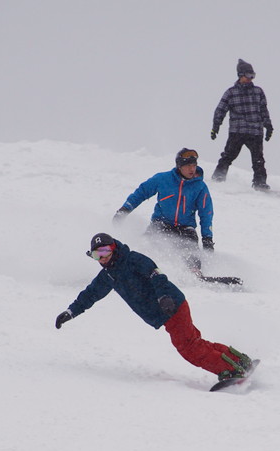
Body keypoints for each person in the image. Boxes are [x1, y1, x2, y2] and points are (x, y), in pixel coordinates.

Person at [54, 233, 253, 381]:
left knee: (189, 348)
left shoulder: (133, 259)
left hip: (171, 306)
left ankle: (230, 371)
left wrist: (165, 298)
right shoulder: (108, 275)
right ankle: (239, 360)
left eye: (105, 252)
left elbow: (157, 276)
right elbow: (90, 295)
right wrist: (71, 312)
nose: (102, 258)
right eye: (97, 255)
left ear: (113, 248)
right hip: (166, 313)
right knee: (195, 342)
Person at [112, 148, 214, 273]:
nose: (192, 169)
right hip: (161, 223)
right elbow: (141, 193)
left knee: (191, 252)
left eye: (194, 165)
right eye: (188, 166)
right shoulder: (163, 179)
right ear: (179, 166)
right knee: (146, 246)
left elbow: (206, 213)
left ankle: (194, 273)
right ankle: (134, 269)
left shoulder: (200, 187)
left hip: (186, 228)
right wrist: (125, 209)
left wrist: (207, 238)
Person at [210, 58, 274, 191]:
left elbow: (263, 110)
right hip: (237, 131)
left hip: (255, 132)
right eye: (248, 75)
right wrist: (216, 126)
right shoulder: (231, 93)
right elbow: (220, 110)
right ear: (240, 75)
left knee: (258, 159)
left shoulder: (258, 92)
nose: (251, 79)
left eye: (253, 76)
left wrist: (268, 126)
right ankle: (218, 178)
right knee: (228, 155)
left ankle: (260, 183)